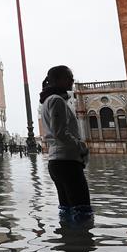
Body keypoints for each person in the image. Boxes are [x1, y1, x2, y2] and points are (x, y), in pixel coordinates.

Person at [39, 65, 92, 222]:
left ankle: (67, 234)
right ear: (58, 80)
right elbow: (60, 133)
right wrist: (81, 146)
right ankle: (82, 236)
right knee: (82, 209)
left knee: (67, 208)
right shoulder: (56, 100)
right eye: (68, 77)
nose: (72, 80)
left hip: (56, 163)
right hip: (67, 162)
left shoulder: (48, 101)